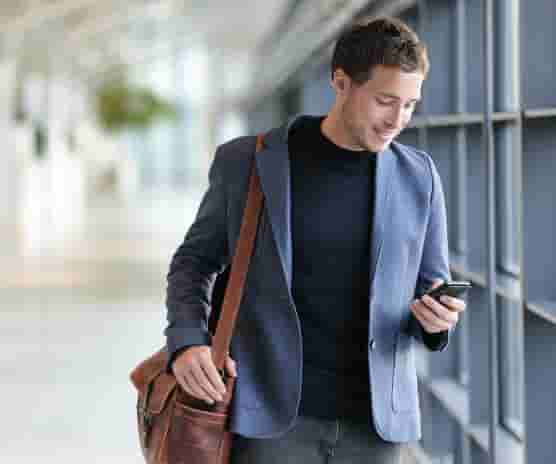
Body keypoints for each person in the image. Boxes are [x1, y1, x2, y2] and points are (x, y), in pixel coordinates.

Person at [165, 16, 466, 464]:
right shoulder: (249, 161)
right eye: (385, 101)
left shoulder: (417, 176)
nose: (396, 120)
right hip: (271, 419)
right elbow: (194, 262)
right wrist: (187, 340)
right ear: (340, 82)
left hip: (376, 427)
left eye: (409, 105)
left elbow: (429, 285)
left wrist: (436, 319)